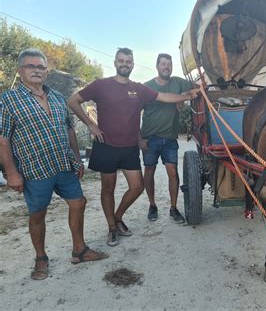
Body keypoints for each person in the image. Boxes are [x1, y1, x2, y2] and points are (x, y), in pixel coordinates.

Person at [69, 48, 198, 246]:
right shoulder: (101, 85)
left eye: (128, 61)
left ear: (133, 64)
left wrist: (188, 96)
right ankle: (112, 228)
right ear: (115, 62)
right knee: (108, 189)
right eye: (121, 61)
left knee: (137, 187)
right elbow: (73, 101)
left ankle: (118, 216)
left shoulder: (139, 89)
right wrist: (90, 124)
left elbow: (164, 97)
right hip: (106, 145)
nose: (125, 64)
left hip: (129, 147)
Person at [0, 48, 108, 281]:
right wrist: (11, 173)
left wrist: (77, 159)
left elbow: (69, 129)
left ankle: (79, 249)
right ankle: (41, 258)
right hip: (35, 170)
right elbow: (3, 138)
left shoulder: (58, 97)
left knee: (78, 203)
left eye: (41, 67)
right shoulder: (8, 100)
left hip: (63, 165)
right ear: (20, 71)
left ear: (46, 71)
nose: (36, 70)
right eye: (31, 66)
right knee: (38, 214)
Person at [139, 53, 193, 223]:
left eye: (169, 64)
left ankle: (173, 208)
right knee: (149, 171)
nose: (166, 67)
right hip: (150, 138)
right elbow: (134, 113)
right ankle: (152, 205)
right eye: (163, 64)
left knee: (173, 172)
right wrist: (138, 139)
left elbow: (200, 86)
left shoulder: (177, 82)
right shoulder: (147, 87)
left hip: (170, 138)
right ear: (157, 66)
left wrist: (186, 93)